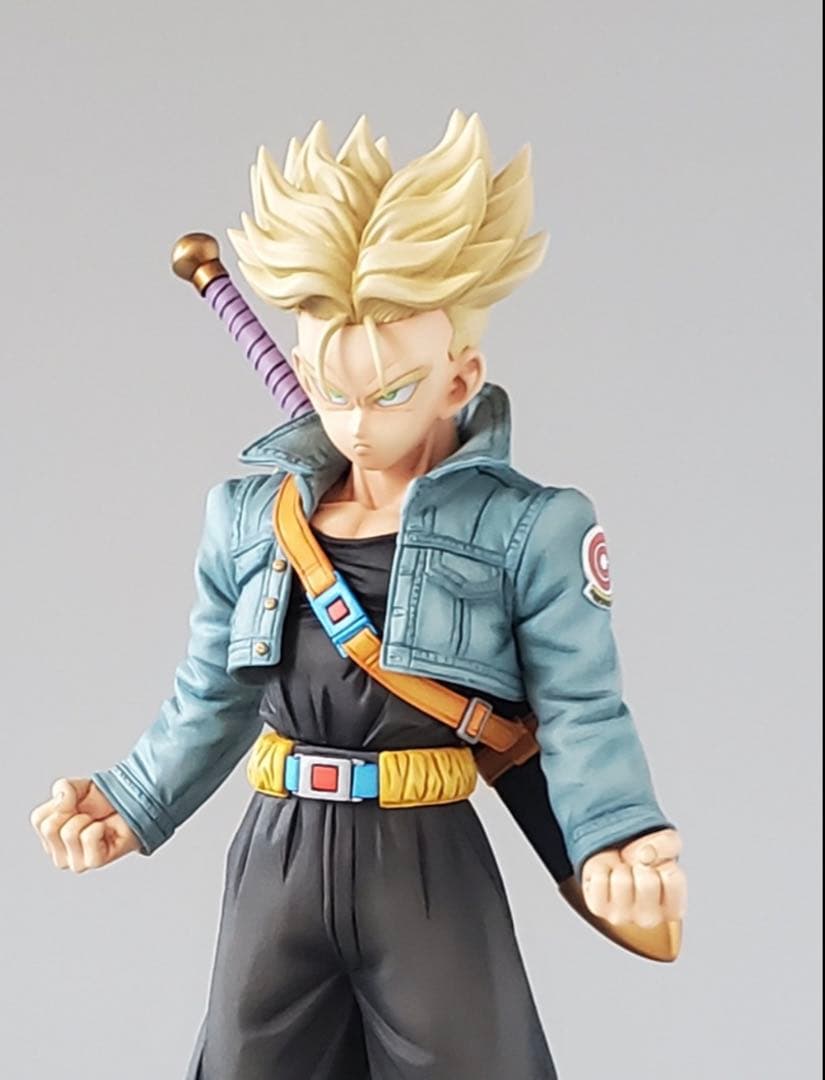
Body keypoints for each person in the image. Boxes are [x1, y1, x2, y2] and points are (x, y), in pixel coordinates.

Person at [30, 111, 686, 1080]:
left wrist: (616, 838)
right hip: (277, 856)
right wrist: (132, 799)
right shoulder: (248, 518)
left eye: (390, 393)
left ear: (460, 378)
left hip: (424, 865)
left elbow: (581, 707)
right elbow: (211, 695)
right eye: (333, 394)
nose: (357, 425)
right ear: (301, 374)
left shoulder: (529, 527)